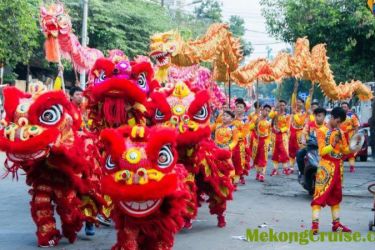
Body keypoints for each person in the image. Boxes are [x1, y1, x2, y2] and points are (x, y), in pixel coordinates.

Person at [311, 107, 354, 234]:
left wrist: (353, 147)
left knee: (336, 197)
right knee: (319, 195)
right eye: (338, 121)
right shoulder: (321, 131)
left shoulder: (340, 132)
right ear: (333, 118)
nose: (339, 124)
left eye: (340, 122)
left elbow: (345, 150)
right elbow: (322, 151)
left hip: (338, 168)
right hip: (326, 167)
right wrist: (333, 144)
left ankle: (336, 224)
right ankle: (315, 226)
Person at [297, 107, 327, 180]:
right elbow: (304, 133)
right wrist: (303, 139)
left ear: (324, 116)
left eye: (319, 116)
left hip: (321, 148)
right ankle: (302, 173)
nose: (317, 118)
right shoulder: (310, 124)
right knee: (299, 154)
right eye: (316, 115)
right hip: (310, 146)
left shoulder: (327, 126)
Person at [212, 110, 239, 186]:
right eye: (223, 115)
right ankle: (218, 182)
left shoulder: (233, 128)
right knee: (216, 165)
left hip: (227, 150)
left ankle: (230, 181)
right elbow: (209, 130)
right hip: (216, 149)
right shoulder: (217, 126)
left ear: (231, 119)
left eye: (227, 116)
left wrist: (229, 147)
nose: (224, 117)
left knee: (228, 165)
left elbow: (235, 140)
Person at [250, 104, 272, 182]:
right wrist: (255, 124)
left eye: (269, 111)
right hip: (256, 141)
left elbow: (269, 134)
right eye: (266, 110)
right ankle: (258, 172)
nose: (267, 112)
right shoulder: (256, 119)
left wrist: (269, 143)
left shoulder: (268, 123)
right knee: (256, 157)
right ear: (262, 110)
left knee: (263, 157)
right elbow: (250, 128)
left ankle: (262, 174)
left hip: (264, 141)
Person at [232, 98, 251, 184]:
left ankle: (240, 175)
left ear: (244, 109)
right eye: (237, 106)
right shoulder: (231, 118)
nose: (238, 108)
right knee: (231, 160)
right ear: (234, 108)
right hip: (231, 143)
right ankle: (233, 177)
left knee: (240, 160)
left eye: (241, 107)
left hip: (241, 143)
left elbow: (245, 132)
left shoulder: (245, 120)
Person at [270, 100, 291, 176]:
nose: (281, 107)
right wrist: (274, 108)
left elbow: (287, 127)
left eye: (283, 105)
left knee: (284, 152)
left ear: (285, 106)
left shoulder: (287, 116)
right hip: (274, 136)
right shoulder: (275, 114)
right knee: (275, 152)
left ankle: (285, 168)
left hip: (283, 136)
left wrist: (280, 130)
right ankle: (275, 169)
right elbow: (270, 116)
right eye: (280, 105)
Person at [289, 95, 308, 173]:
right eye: (297, 102)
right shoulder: (293, 112)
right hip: (292, 134)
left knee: (300, 151)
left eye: (300, 102)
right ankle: (291, 167)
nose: (298, 103)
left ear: (303, 104)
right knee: (291, 150)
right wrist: (294, 91)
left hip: (300, 134)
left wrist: (295, 115)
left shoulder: (304, 114)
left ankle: (301, 168)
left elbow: (300, 122)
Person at [340, 102, 360, 173]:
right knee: (340, 153)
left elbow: (356, 125)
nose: (343, 108)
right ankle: (339, 167)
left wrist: (356, 135)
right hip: (340, 137)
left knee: (351, 154)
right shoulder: (339, 116)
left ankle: (352, 167)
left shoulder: (352, 116)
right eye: (342, 107)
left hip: (350, 138)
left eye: (345, 107)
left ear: (348, 108)